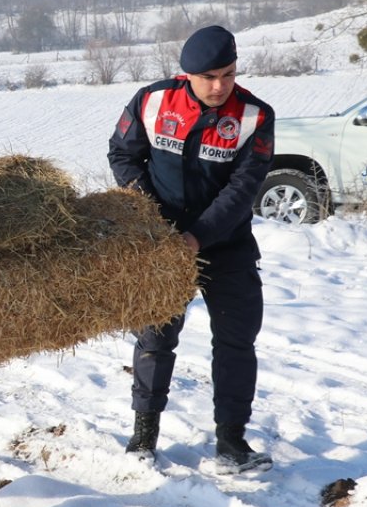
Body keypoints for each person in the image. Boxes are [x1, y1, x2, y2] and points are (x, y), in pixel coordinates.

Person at [107, 25, 276, 473]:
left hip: (226, 246)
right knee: (154, 339)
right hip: (162, 246)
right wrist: (151, 221)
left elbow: (242, 190)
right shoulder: (153, 100)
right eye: (209, 77)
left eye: (228, 74)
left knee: (237, 343)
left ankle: (231, 443)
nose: (220, 86)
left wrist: (195, 238)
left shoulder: (254, 117)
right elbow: (123, 155)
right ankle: (143, 437)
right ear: (187, 75)